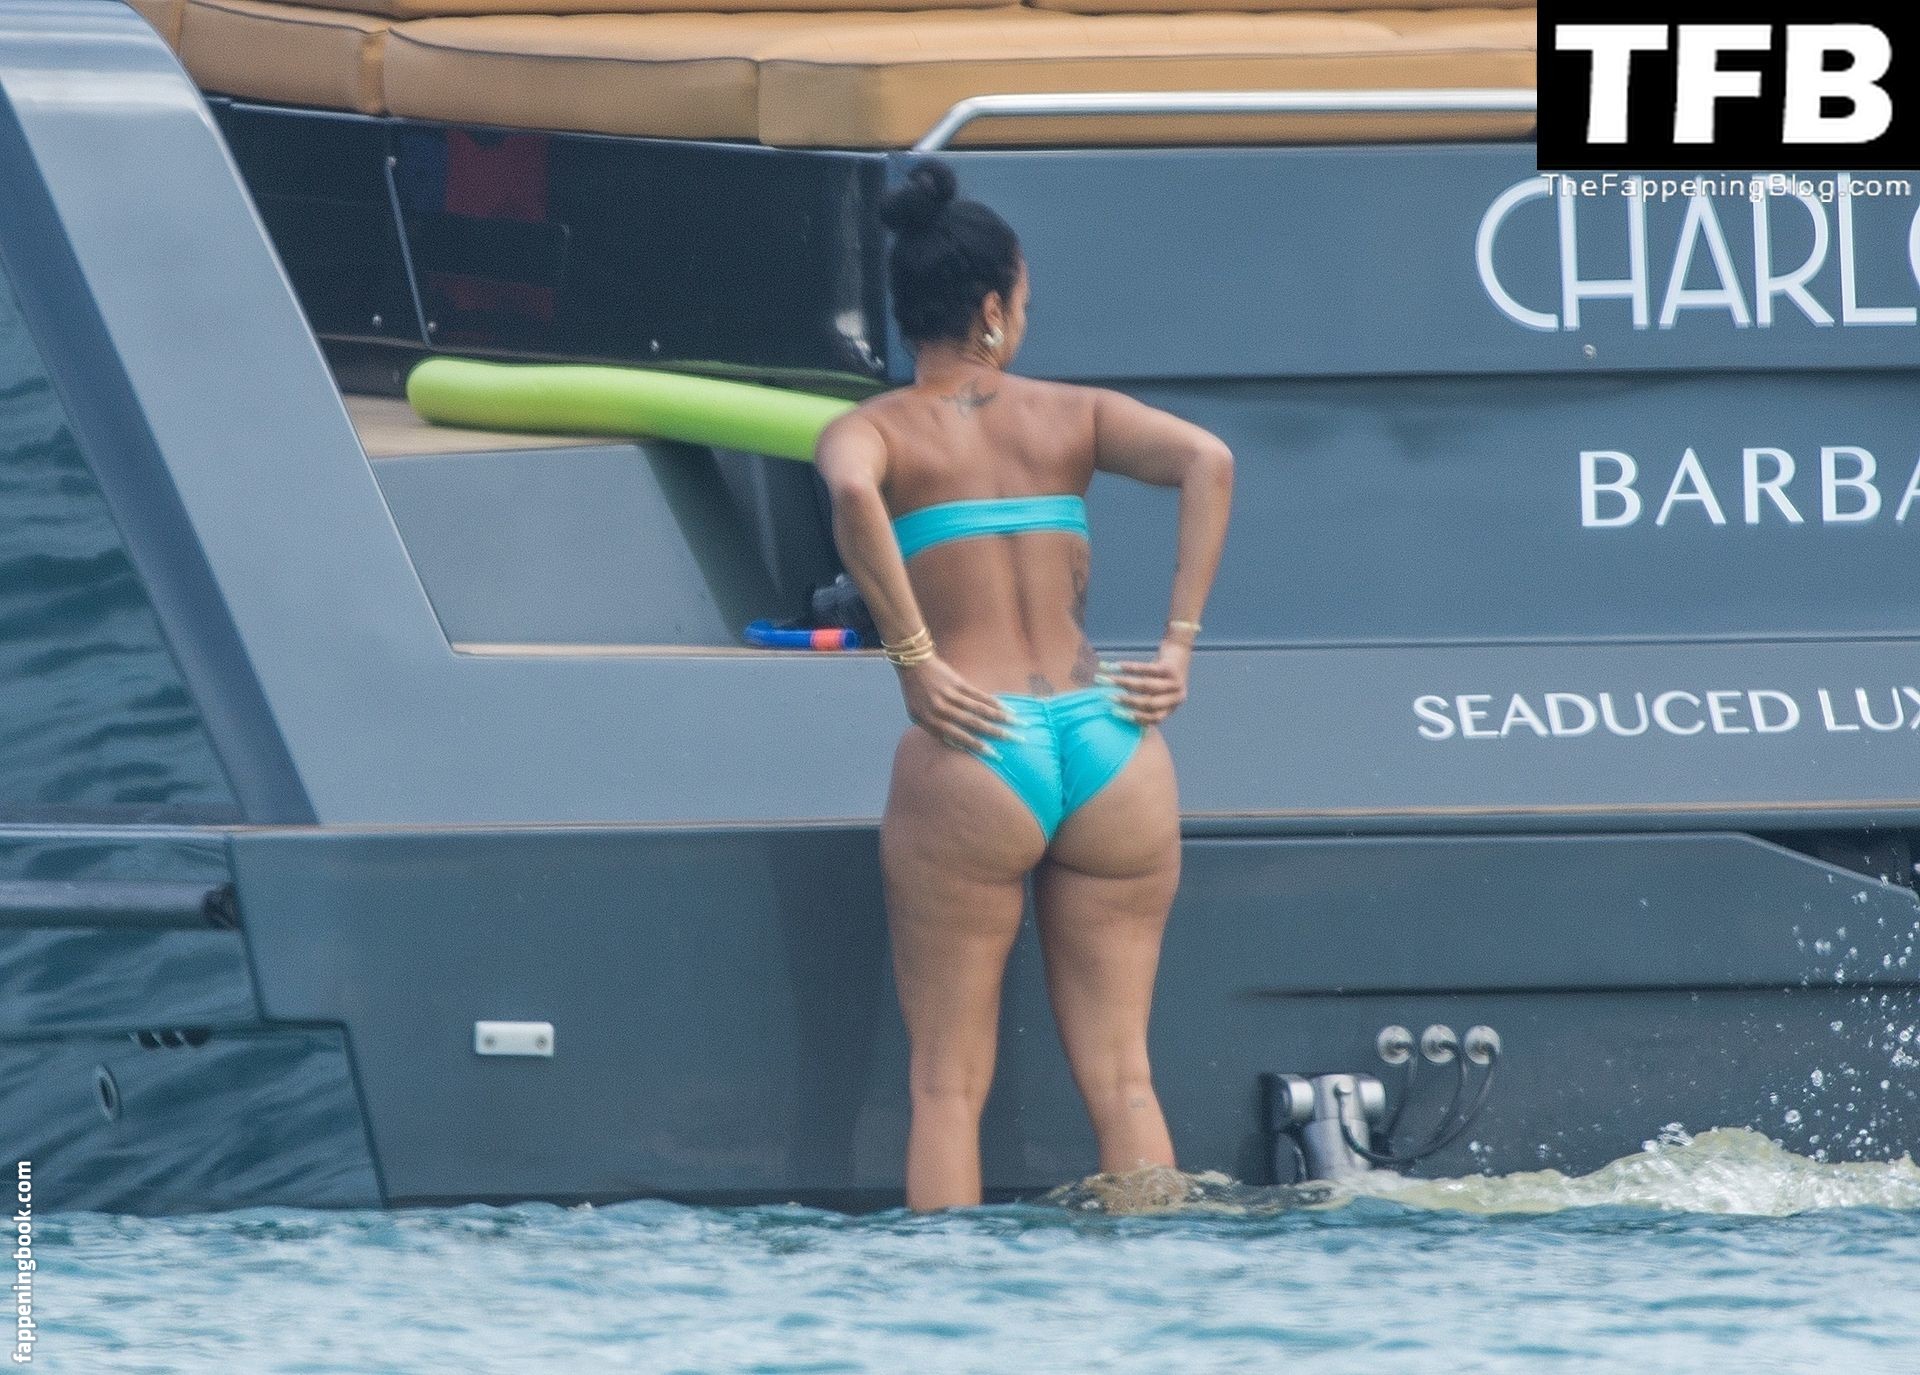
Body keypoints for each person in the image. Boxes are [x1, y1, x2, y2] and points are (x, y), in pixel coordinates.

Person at [813, 159, 1234, 1211]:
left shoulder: (873, 429)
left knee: (945, 1087)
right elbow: (1210, 461)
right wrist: (1178, 647)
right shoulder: (1074, 415)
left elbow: (853, 497)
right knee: (1126, 1077)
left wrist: (914, 659)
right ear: (993, 310)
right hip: (1113, 738)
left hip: (976, 741)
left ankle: (952, 1306)